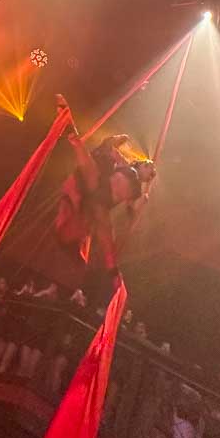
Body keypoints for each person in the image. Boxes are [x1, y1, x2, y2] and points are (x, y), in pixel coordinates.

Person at [55, 113, 154, 305]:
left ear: (146, 177)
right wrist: (113, 144)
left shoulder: (137, 192)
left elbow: (130, 211)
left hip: (102, 204)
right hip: (98, 187)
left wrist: (143, 203)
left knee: (106, 236)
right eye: (148, 164)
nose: (148, 166)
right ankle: (73, 137)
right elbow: (112, 153)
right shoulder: (126, 166)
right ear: (141, 165)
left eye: (149, 170)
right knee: (90, 167)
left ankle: (112, 275)